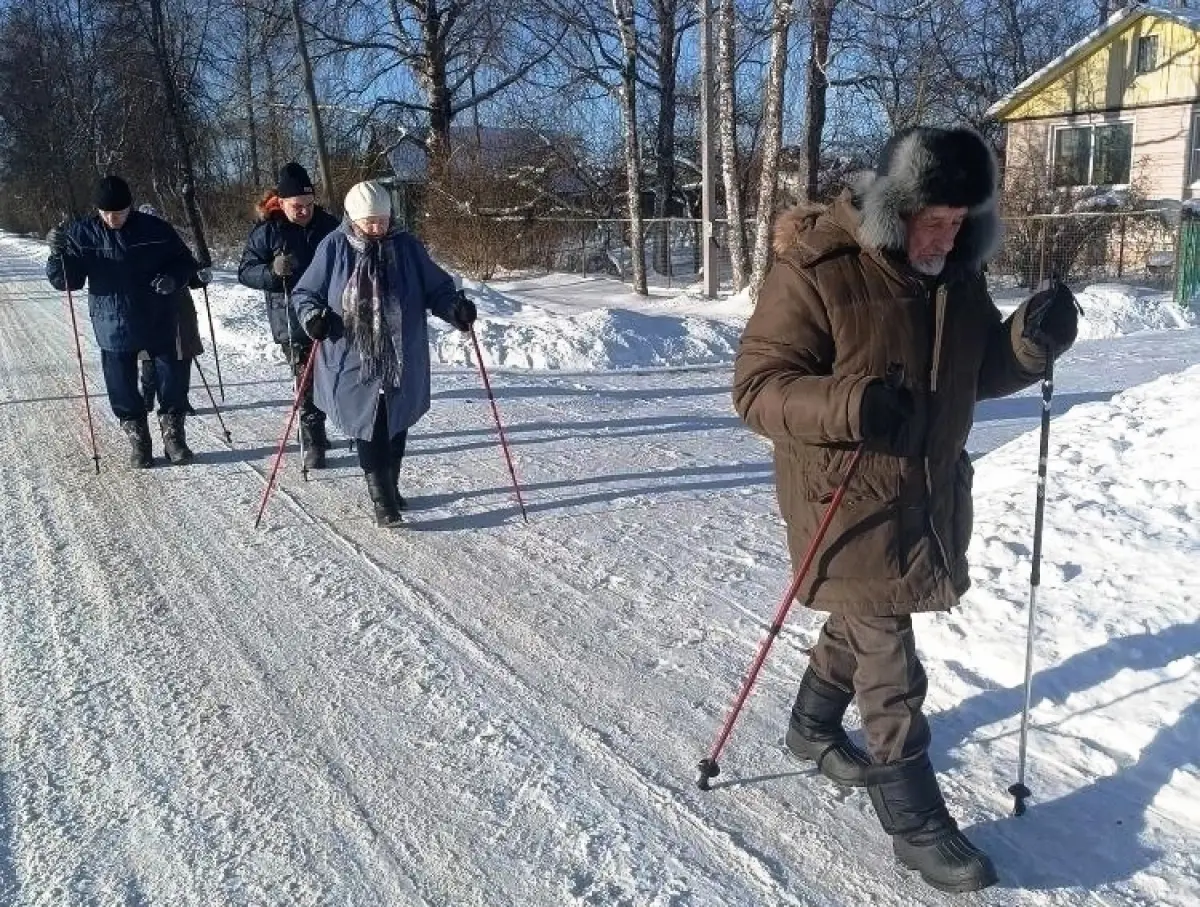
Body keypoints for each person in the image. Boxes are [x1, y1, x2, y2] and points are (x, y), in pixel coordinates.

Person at [732, 127, 1080, 894]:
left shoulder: (956, 276)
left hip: (924, 489)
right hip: (841, 491)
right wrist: (851, 402)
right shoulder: (817, 268)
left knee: (863, 618)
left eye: (960, 221)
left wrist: (1029, 342)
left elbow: (976, 369)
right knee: (889, 656)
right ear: (896, 205)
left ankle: (811, 725)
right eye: (931, 217)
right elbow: (757, 390)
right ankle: (916, 822)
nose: (944, 235)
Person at [291, 180, 477, 527]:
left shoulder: (407, 247)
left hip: (401, 354)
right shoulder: (334, 246)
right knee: (370, 425)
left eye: (382, 219)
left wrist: (456, 309)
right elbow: (304, 293)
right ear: (353, 217)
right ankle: (382, 500)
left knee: (396, 422)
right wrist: (314, 317)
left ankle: (390, 484)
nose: (376, 227)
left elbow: (437, 288)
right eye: (369, 221)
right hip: (352, 355)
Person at [46, 176, 202, 467]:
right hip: (112, 321)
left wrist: (173, 278)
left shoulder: (156, 229)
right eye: (106, 212)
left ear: (130, 206)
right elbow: (67, 281)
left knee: (174, 376)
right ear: (98, 210)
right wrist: (56, 255)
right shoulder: (83, 234)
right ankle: (139, 441)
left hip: (158, 317)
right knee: (121, 384)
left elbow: (185, 262)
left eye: (118, 212)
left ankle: (174, 436)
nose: (112, 218)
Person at [237, 162, 339, 469]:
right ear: (281, 202)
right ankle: (313, 439)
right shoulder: (267, 231)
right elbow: (245, 271)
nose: (305, 211)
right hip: (291, 319)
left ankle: (327, 426)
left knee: (331, 376)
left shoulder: (328, 224)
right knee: (306, 379)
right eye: (297, 206)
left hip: (329, 314)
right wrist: (271, 271)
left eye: (309, 205)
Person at [135, 204, 208, 414]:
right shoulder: (136, 249)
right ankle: (148, 397)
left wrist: (200, 278)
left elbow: (191, 273)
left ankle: (181, 400)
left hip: (180, 308)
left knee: (184, 356)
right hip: (150, 312)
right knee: (150, 357)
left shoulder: (172, 243)